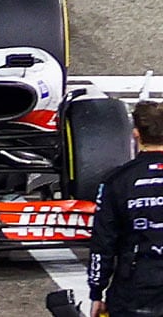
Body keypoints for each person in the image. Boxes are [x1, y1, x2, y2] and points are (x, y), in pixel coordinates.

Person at [88, 100, 163, 316]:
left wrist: (96, 292)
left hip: (137, 288)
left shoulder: (117, 181)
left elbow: (103, 242)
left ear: (136, 134)